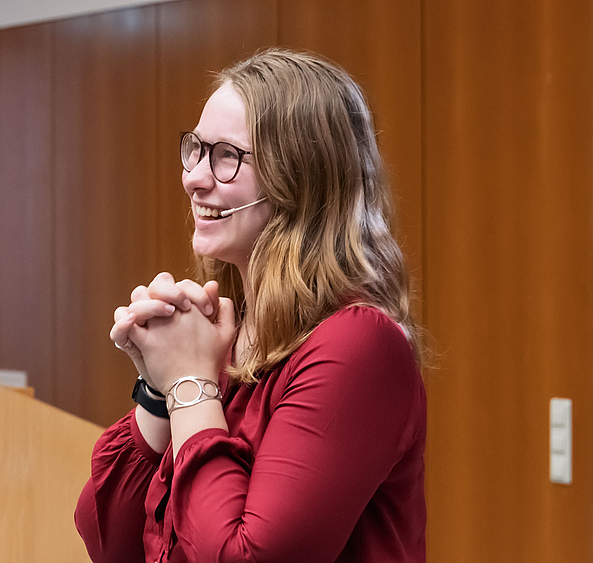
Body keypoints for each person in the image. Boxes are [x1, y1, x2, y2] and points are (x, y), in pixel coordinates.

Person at [74, 48, 427, 563]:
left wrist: (189, 385)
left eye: (227, 156)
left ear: (302, 179)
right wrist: (159, 384)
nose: (193, 177)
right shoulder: (223, 331)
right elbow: (110, 541)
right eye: (195, 149)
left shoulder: (359, 343)